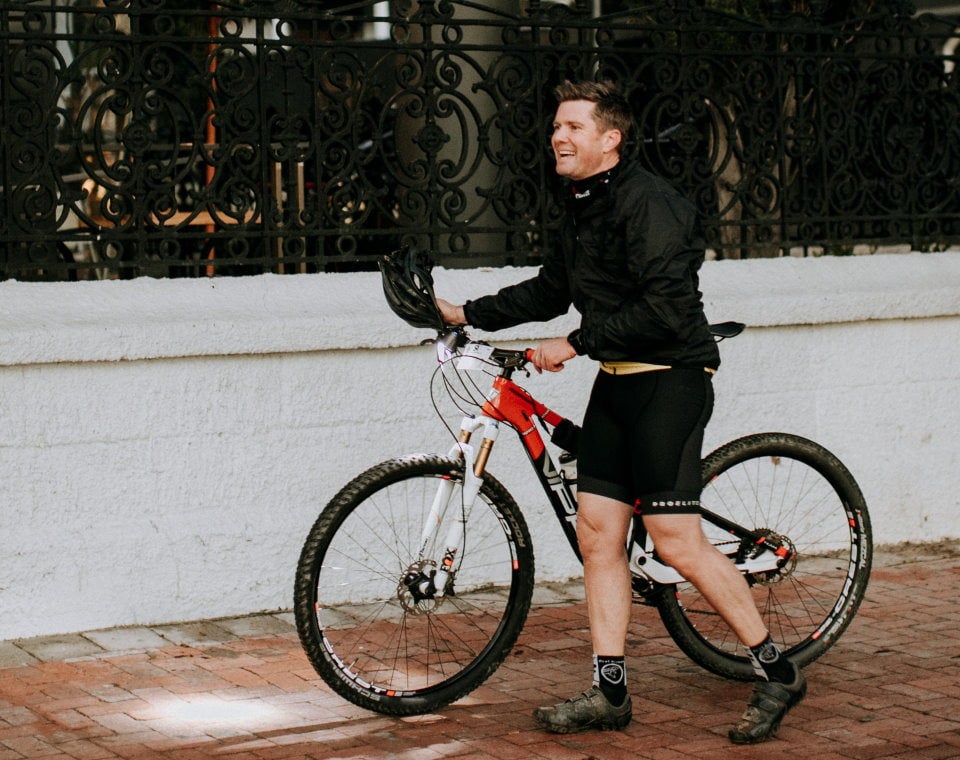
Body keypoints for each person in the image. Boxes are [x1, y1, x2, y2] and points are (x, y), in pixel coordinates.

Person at [435, 80, 806, 744]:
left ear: (611, 139)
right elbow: (554, 287)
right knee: (599, 537)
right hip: (616, 383)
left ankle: (777, 672)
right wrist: (466, 313)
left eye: (574, 127)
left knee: (675, 542)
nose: (558, 136)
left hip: (670, 381)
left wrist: (575, 343)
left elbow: (662, 308)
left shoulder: (652, 204)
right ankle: (611, 694)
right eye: (556, 126)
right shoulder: (581, 203)